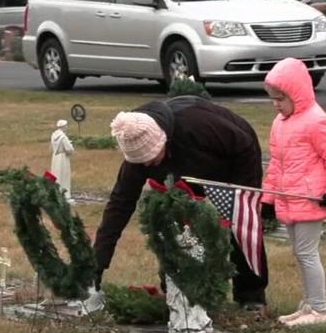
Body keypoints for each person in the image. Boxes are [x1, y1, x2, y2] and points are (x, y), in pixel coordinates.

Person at [95, 96, 269, 309]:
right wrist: (96, 266)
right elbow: (119, 205)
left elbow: (243, 144)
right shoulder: (136, 152)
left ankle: (251, 295)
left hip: (234, 156)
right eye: (142, 162)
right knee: (172, 225)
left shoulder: (196, 124)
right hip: (184, 172)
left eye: (151, 158)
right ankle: (178, 289)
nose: (148, 164)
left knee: (239, 223)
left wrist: (238, 195)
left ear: (163, 141)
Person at [261, 58, 326, 328]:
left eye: (281, 98)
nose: (277, 104)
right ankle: (308, 305)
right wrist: (268, 199)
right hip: (289, 201)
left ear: (297, 94)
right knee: (300, 253)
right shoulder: (280, 123)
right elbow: (276, 164)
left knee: (307, 253)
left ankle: (320, 311)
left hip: (310, 201)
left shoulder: (317, 122)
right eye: (273, 99)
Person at [49, 119, 74, 203]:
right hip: (63, 157)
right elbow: (69, 148)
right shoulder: (63, 137)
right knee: (64, 175)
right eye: (66, 125)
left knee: (56, 174)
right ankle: (65, 194)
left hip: (55, 157)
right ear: (63, 127)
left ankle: (57, 192)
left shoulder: (54, 135)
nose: (67, 127)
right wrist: (71, 146)